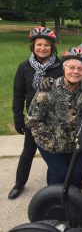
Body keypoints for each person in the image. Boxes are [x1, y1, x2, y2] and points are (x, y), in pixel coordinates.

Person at [26, 48, 82, 189]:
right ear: (64, 68)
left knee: (76, 175)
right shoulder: (48, 89)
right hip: (50, 142)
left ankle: (75, 203)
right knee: (60, 174)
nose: (75, 71)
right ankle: (54, 204)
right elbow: (33, 120)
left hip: (76, 143)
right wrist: (52, 141)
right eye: (71, 67)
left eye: (80, 69)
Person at [8, 27, 63, 200]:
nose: (43, 48)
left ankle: (51, 188)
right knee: (28, 152)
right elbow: (18, 94)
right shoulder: (24, 67)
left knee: (53, 153)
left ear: (52, 47)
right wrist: (18, 118)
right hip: (34, 119)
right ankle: (19, 183)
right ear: (33, 46)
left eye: (47, 45)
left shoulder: (60, 66)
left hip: (54, 118)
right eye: (39, 44)